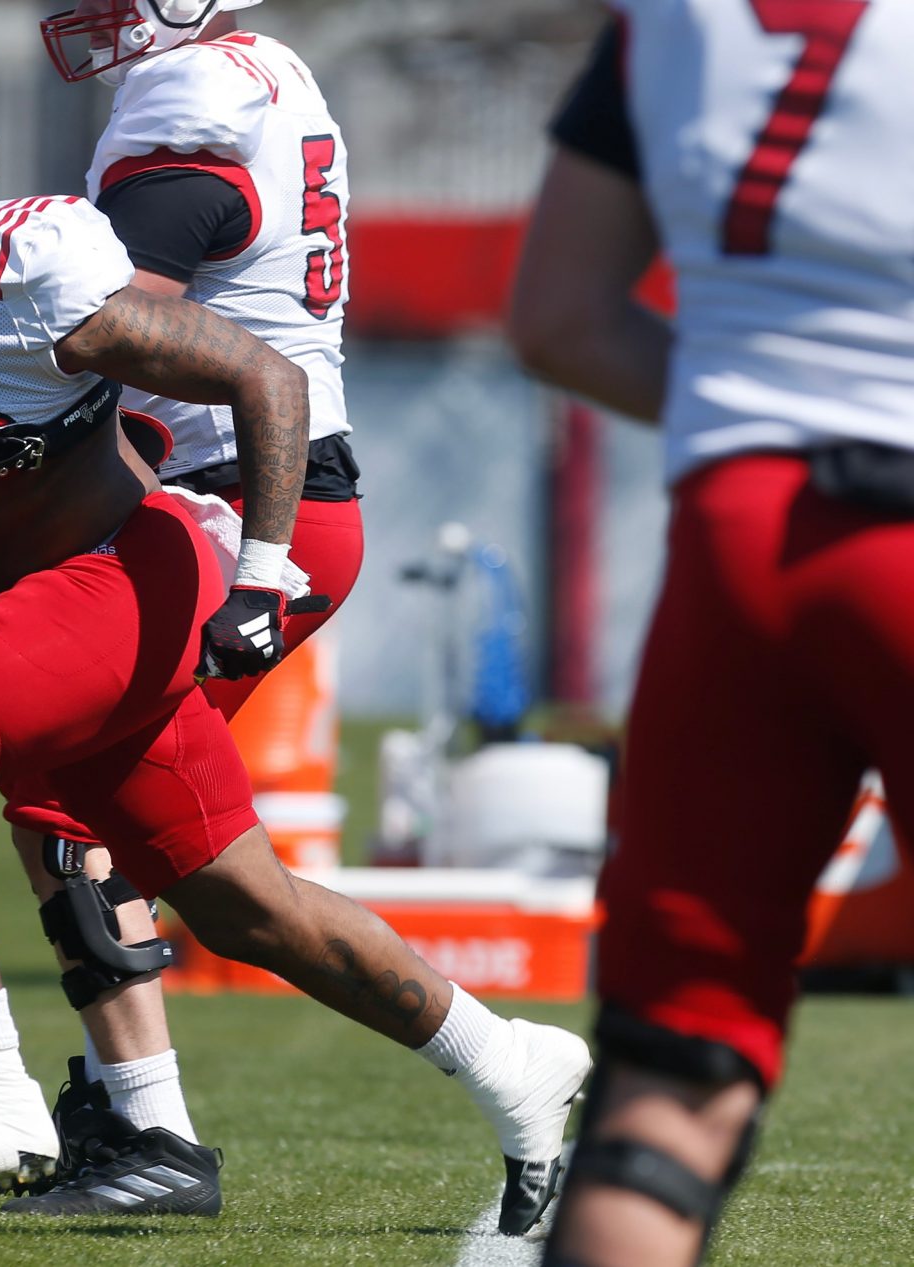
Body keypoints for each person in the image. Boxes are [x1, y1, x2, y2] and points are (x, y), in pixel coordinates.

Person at [0, 44, 591, 1231]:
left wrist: (260, 573)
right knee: (242, 905)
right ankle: (510, 1062)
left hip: (128, 573)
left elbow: (262, 375)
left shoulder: (31, 267)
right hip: (44, 595)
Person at [0, 0, 371, 1216]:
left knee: (62, 785)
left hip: (236, 504)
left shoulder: (192, 102)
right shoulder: (261, 71)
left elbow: (113, 326)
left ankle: (148, 1130)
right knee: (135, 823)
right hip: (254, 494)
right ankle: (138, 1115)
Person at [506, 4, 914, 1265]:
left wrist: (761, 407)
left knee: (671, 1080)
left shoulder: (676, 16)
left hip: (744, 539)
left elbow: (562, 317)